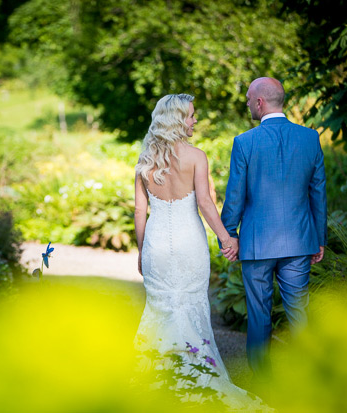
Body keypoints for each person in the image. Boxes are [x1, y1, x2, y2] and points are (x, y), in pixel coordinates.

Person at [133, 93, 267, 409]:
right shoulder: (196, 156)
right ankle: (197, 378)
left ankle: (154, 381)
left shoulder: (144, 162)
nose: (195, 120)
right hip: (187, 241)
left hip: (155, 244)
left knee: (160, 307)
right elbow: (205, 203)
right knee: (189, 304)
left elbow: (141, 211)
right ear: (178, 120)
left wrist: (141, 252)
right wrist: (226, 239)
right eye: (191, 115)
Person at [220, 77, 327, 378]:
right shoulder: (310, 138)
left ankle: (262, 381)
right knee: (299, 312)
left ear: (260, 102)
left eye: (247, 98)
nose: (246, 103)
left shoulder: (245, 142)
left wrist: (229, 237)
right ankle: (309, 375)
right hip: (298, 241)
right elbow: (318, 192)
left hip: (257, 243)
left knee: (259, 315)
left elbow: (235, 195)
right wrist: (319, 238)